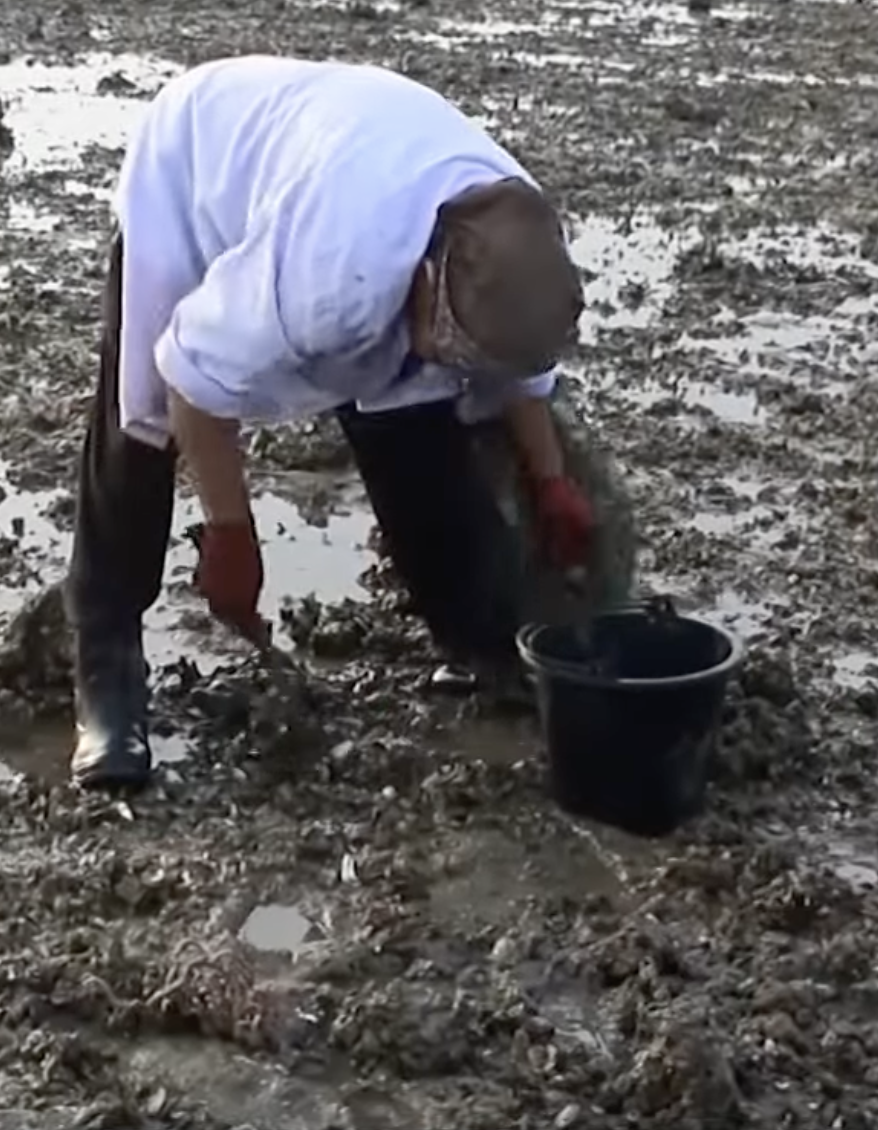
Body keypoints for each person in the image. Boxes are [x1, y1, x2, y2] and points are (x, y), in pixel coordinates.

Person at [66, 55, 599, 792]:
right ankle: (107, 677)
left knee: (420, 434)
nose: (453, 366)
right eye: (450, 344)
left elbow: (518, 374)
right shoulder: (329, 280)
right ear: (422, 281)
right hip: (198, 160)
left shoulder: (519, 243)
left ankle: (480, 641)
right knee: (140, 426)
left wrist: (550, 480)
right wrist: (229, 533)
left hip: (347, 149)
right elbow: (189, 378)